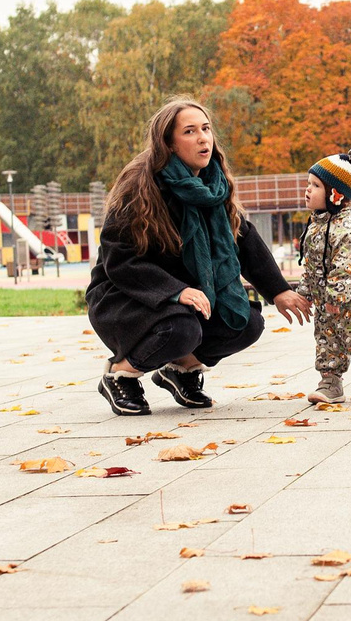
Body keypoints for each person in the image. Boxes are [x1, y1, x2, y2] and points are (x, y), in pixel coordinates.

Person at [86, 99, 311, 415]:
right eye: (190, 131)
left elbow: (241, 237)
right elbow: (120, 261)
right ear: (169, 144)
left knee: (245, 322)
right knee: (181, 329)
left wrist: (278, 290)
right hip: (127, 297)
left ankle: (182, 371)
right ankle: (121, 375)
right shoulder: (140, 186)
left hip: (188, 299)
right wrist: (175, 291)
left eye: (206, 129)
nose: (203, 138)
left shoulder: (214, 183)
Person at [296, 151, 351, 406]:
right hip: (326, 305)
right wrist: (305, 292)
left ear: (336, 195)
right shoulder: (314, 227)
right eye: (308, 184)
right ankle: (330, 383)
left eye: (315, 186)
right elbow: (312, 267)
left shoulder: (348, 230)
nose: (307, 190)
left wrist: (336, 295)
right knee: (327, 342)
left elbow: (347, 266)